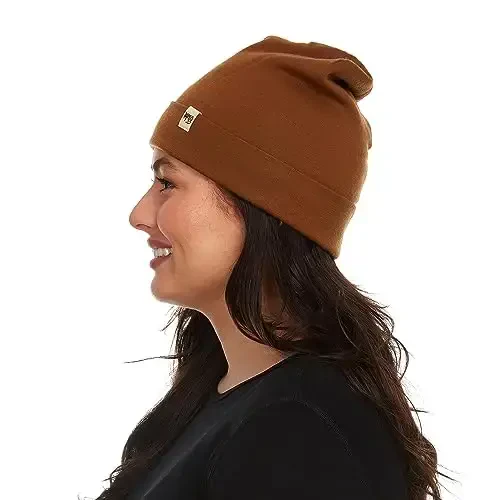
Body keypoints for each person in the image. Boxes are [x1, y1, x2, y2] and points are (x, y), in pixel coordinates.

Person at [97, 35, 452, 499]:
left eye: (167, 182)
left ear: (261, 206)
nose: (139, 214)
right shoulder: (217, 399)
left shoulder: (301, 432)